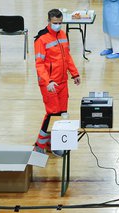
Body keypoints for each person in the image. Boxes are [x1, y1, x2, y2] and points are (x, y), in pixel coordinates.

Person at [32, 9, 81, 156]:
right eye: (55, 23)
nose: (58, 25)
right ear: (49, 21)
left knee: (62, 114)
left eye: (60, 23)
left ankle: (53, 143)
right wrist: (48, 81)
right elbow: (39, 64)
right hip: (50, 84)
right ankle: (39, 146)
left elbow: (67, 57)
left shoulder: (63, 35)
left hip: (62, 82)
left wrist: (75, 73)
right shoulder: (41, 39)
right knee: (52, 114)